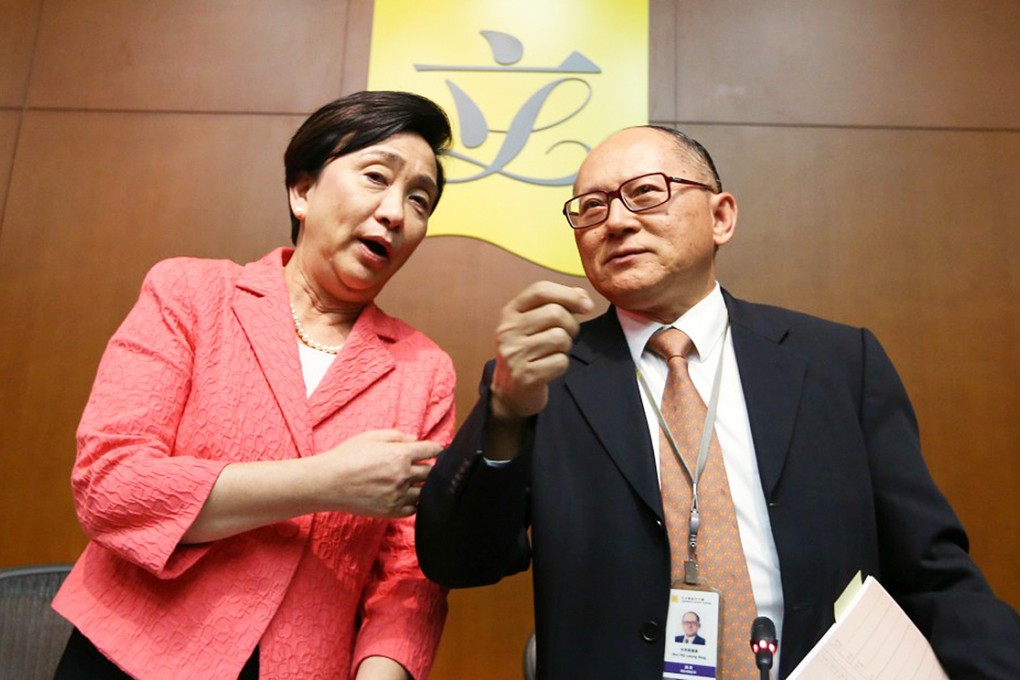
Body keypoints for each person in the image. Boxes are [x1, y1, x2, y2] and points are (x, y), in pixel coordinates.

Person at [416, 125, 1020, 678]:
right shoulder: (544, 378)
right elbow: (460, 560)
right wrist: (505, 412)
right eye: (592, 208)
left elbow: (931, 571)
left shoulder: (837, 362)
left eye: (646, 193)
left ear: (721, 216)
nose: (616, 222)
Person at [52, 91, 455, 679]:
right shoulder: (191, 294)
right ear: (303, 190)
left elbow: (409, 573)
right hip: (130, 656)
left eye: (420, 200)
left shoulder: (425, 370)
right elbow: (110, 487)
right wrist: (324, 481)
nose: (396, 212)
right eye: (376, 176)